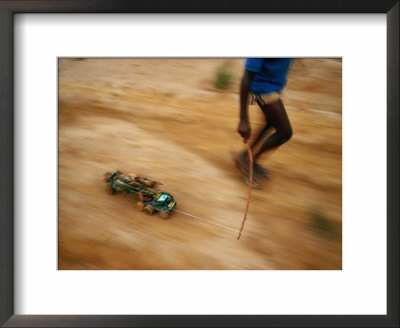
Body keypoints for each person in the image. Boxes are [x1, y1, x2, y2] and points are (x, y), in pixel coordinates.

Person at [235, 58, 293, 184]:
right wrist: (243, 119)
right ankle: (251, 162)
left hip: (275, 86)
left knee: (270, 123)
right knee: (284, 132)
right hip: (263, 88)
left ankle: (244, 156)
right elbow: (246, 78)